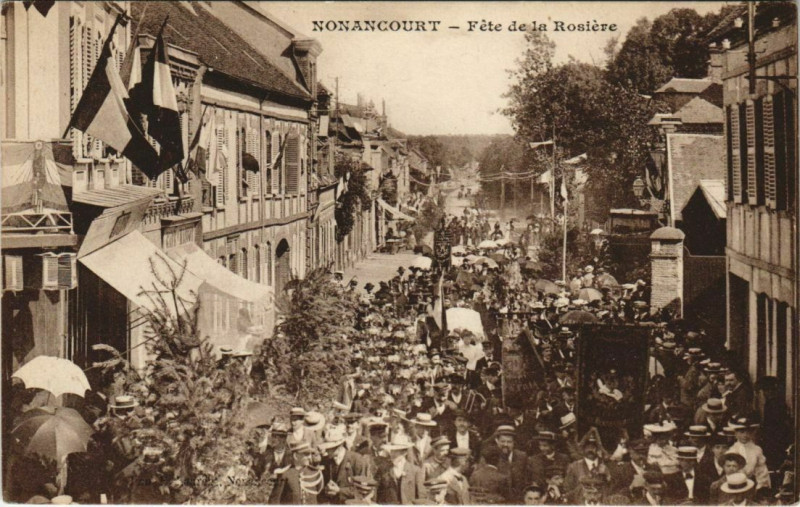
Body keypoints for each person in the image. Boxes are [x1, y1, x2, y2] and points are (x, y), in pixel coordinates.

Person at [375, 437, 426, 505]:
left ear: (404, 453)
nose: (392, 454)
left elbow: (421, 496)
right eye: (392, 451)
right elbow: (376, 492)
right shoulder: (383, 469)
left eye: (396, 451)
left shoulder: (415, 470)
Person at [726, 416, 770, 492]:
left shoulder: (757, 450)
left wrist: (760, 487)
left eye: (748, 432)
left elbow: (762, 471)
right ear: (735, 433)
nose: (745, 435)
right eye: (742, 432)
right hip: (736, 486)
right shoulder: (732, 451)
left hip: (754, 486)